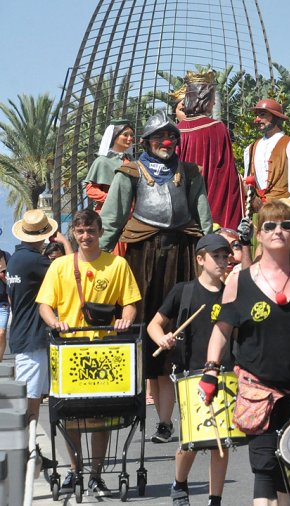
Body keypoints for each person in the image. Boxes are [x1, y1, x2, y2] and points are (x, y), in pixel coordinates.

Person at [99, 109, 213, 445]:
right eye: (160, 137)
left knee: (181, 334)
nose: (167, 142)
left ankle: (168, 422)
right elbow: (112, 219)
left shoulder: (190, 172)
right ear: (147, 142)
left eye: (172, 136)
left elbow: (203, 217)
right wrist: (96, 261)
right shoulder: (129, 172)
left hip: (183, 256)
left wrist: (214, 251)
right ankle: (135, 410)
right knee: (140, 331)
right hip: (142, 257)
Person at [200, 200, 290, 505]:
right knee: (266, 469)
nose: (278, 231)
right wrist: (211, 370)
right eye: (269, 226)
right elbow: (222, 330)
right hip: (260, 391)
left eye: (285, 224)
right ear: (259, 233)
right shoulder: (238, 281)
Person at [36, 209, 141, 497]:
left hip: (106, 349)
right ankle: (75, 468)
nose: (86, 236)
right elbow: (45, 305)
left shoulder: (117, 265)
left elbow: (130, 301)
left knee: (102, 414)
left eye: (91, 231)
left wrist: (126, 319)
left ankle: (95, 474)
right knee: (69, 415)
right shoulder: (59, 268)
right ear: (73, 233)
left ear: (100, 231)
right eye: (80, 231)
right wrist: (55, 321)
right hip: (70, 348)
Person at [147, 234, 233, 506]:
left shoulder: (232, 294)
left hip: (225, 373)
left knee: (222, 440)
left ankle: (215, 499)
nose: (222, 261)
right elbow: (154, 324)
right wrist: (163, 338)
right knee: (193, 440)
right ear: (200, 259)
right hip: (190, 375)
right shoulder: (184, 291)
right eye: (215, 256)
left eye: (225, 256)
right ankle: (180, 482)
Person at [5, 211, 70, 424]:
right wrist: (64, 242)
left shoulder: (16, 259)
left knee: (33, 396)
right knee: (30, 398)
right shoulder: (34, 261)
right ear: (44, 235)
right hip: (32, 338)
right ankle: (26, 449)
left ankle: (32, 449)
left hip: (24, 334)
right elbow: (69, 272)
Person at [177, 70, 243, 230]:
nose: (214, 103)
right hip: (212, 206)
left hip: (182, 211)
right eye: (212, 98)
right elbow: (226, 176)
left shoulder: (176, 130)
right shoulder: (217, 128)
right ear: (204, 98)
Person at [243, 98, 290, 210]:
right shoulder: (250, 148)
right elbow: (248, 183)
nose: (257, 119)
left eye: (262, 115)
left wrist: (283, 210)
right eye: (257, 115)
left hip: (284, 214)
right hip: (258, 215)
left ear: (275, 117)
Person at [83, 119, 134, 212]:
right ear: (114, 136)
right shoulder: (102, 161)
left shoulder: (132, 162)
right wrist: (112, 200)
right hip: (107, 214)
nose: (130, 138)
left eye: (131, 135)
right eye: (125, 135)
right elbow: (91, 190)